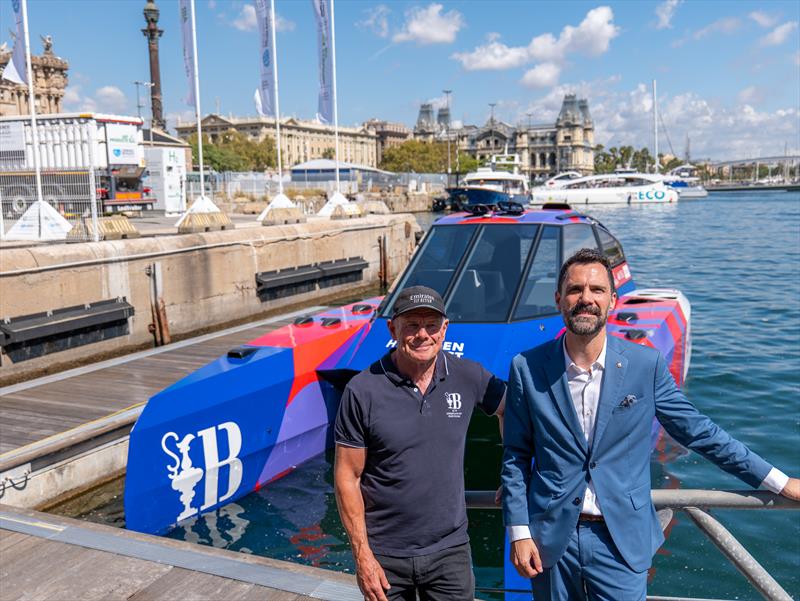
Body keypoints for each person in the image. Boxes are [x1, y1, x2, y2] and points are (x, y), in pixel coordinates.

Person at [501, 248, 800, 601]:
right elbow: (515, 456)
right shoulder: (527, 367)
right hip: (550, 543)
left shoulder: (646, 366)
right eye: (575, 290)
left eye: (597, 290)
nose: (586, 299)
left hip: (621, 542)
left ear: (613, 300)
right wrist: (518, 529)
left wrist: (778, 481)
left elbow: (700, 432)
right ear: (559, 299)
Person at [334, 285, 506, 601]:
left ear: (445, 329)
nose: (422, 334)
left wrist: (513, 475)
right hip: (385, 555)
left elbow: (510, 409)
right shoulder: (362, 390)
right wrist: (362, 556)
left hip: (449, 552)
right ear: (392, 328)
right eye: (411, 324)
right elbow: (347, 477)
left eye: (431, 325)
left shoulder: (468, 375)